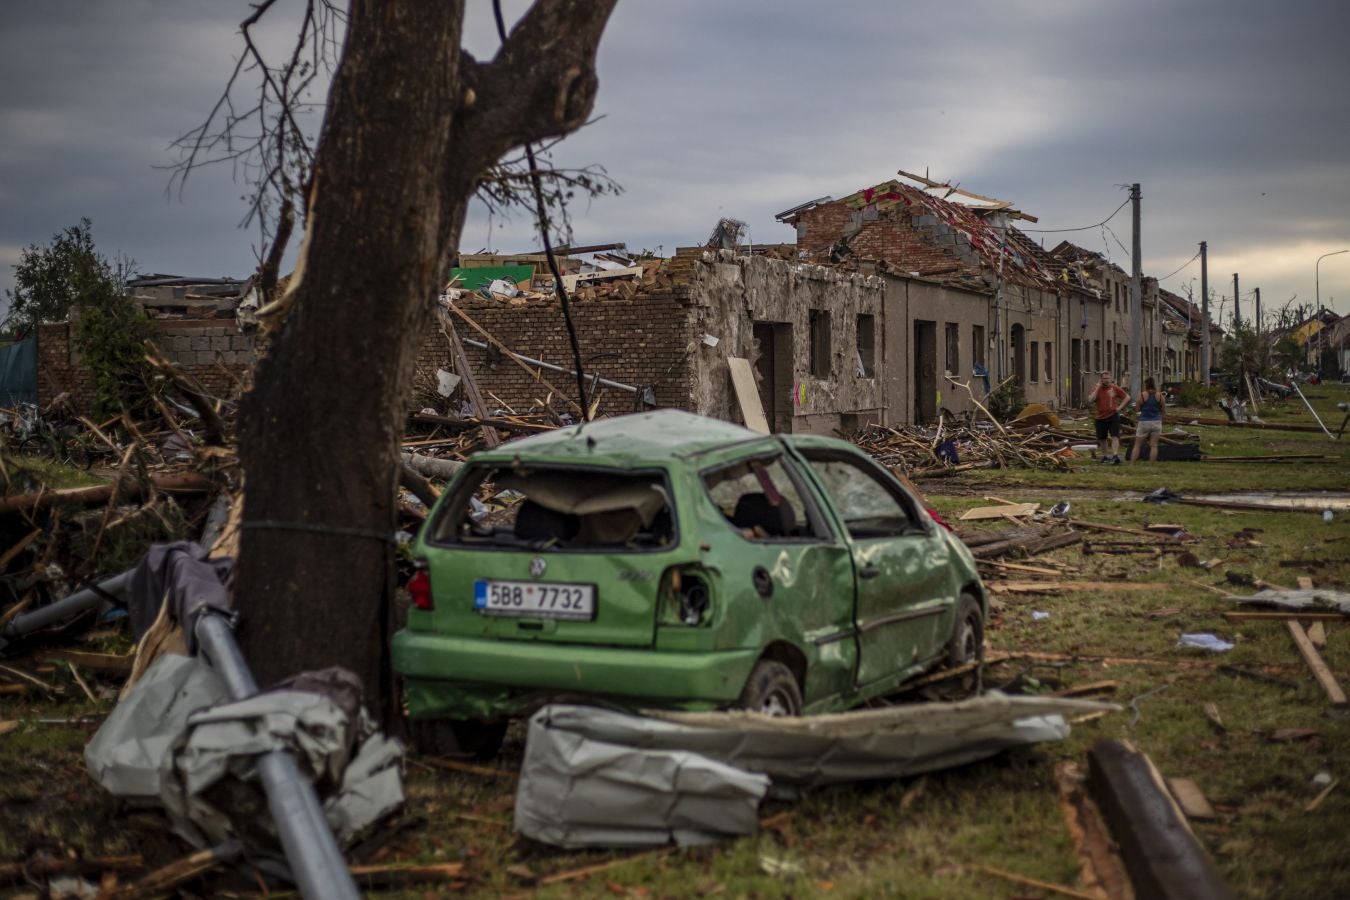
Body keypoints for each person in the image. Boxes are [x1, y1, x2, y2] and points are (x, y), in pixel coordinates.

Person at [1087, 370, 1129, 464]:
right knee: (1102, 438)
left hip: (1113, 415)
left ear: (1111, 378)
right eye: (1104, 378)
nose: (1106, 380)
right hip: (1100, 417)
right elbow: (1090, 400)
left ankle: (1115, 456)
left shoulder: (1114, 388)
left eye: (1108, 378)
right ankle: (1105, 456)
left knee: (1115, 436)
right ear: (1101, 379)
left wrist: (1119, 408)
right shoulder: (1097, 389)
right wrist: (1098, 388)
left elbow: (1127, 397)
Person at [1130, 376, 1165, 463]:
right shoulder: (1160, 396)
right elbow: (1163, 410)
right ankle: (1151, 465)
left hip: (1144, 422)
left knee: (1137, 445)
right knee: (1154, 445)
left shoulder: (1141, 395)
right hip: (1156, 422)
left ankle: (1132, 464)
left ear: (1145, 385)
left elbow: (1137, 410)